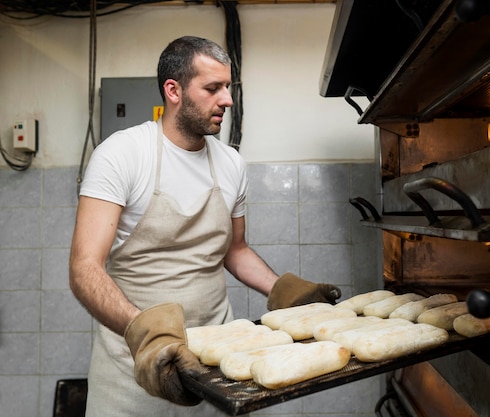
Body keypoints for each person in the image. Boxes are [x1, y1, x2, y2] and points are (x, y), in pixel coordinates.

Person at [69, 35, 341, 417]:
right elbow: (84, 267)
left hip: (215, 363)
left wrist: (284, 288)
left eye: (227, 87)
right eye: (213, 88)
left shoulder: (231, 164)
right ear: (173, 90)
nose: (227, 100)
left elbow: (236, 249)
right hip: (136, 368)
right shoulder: (122, 155)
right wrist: (149, 337)